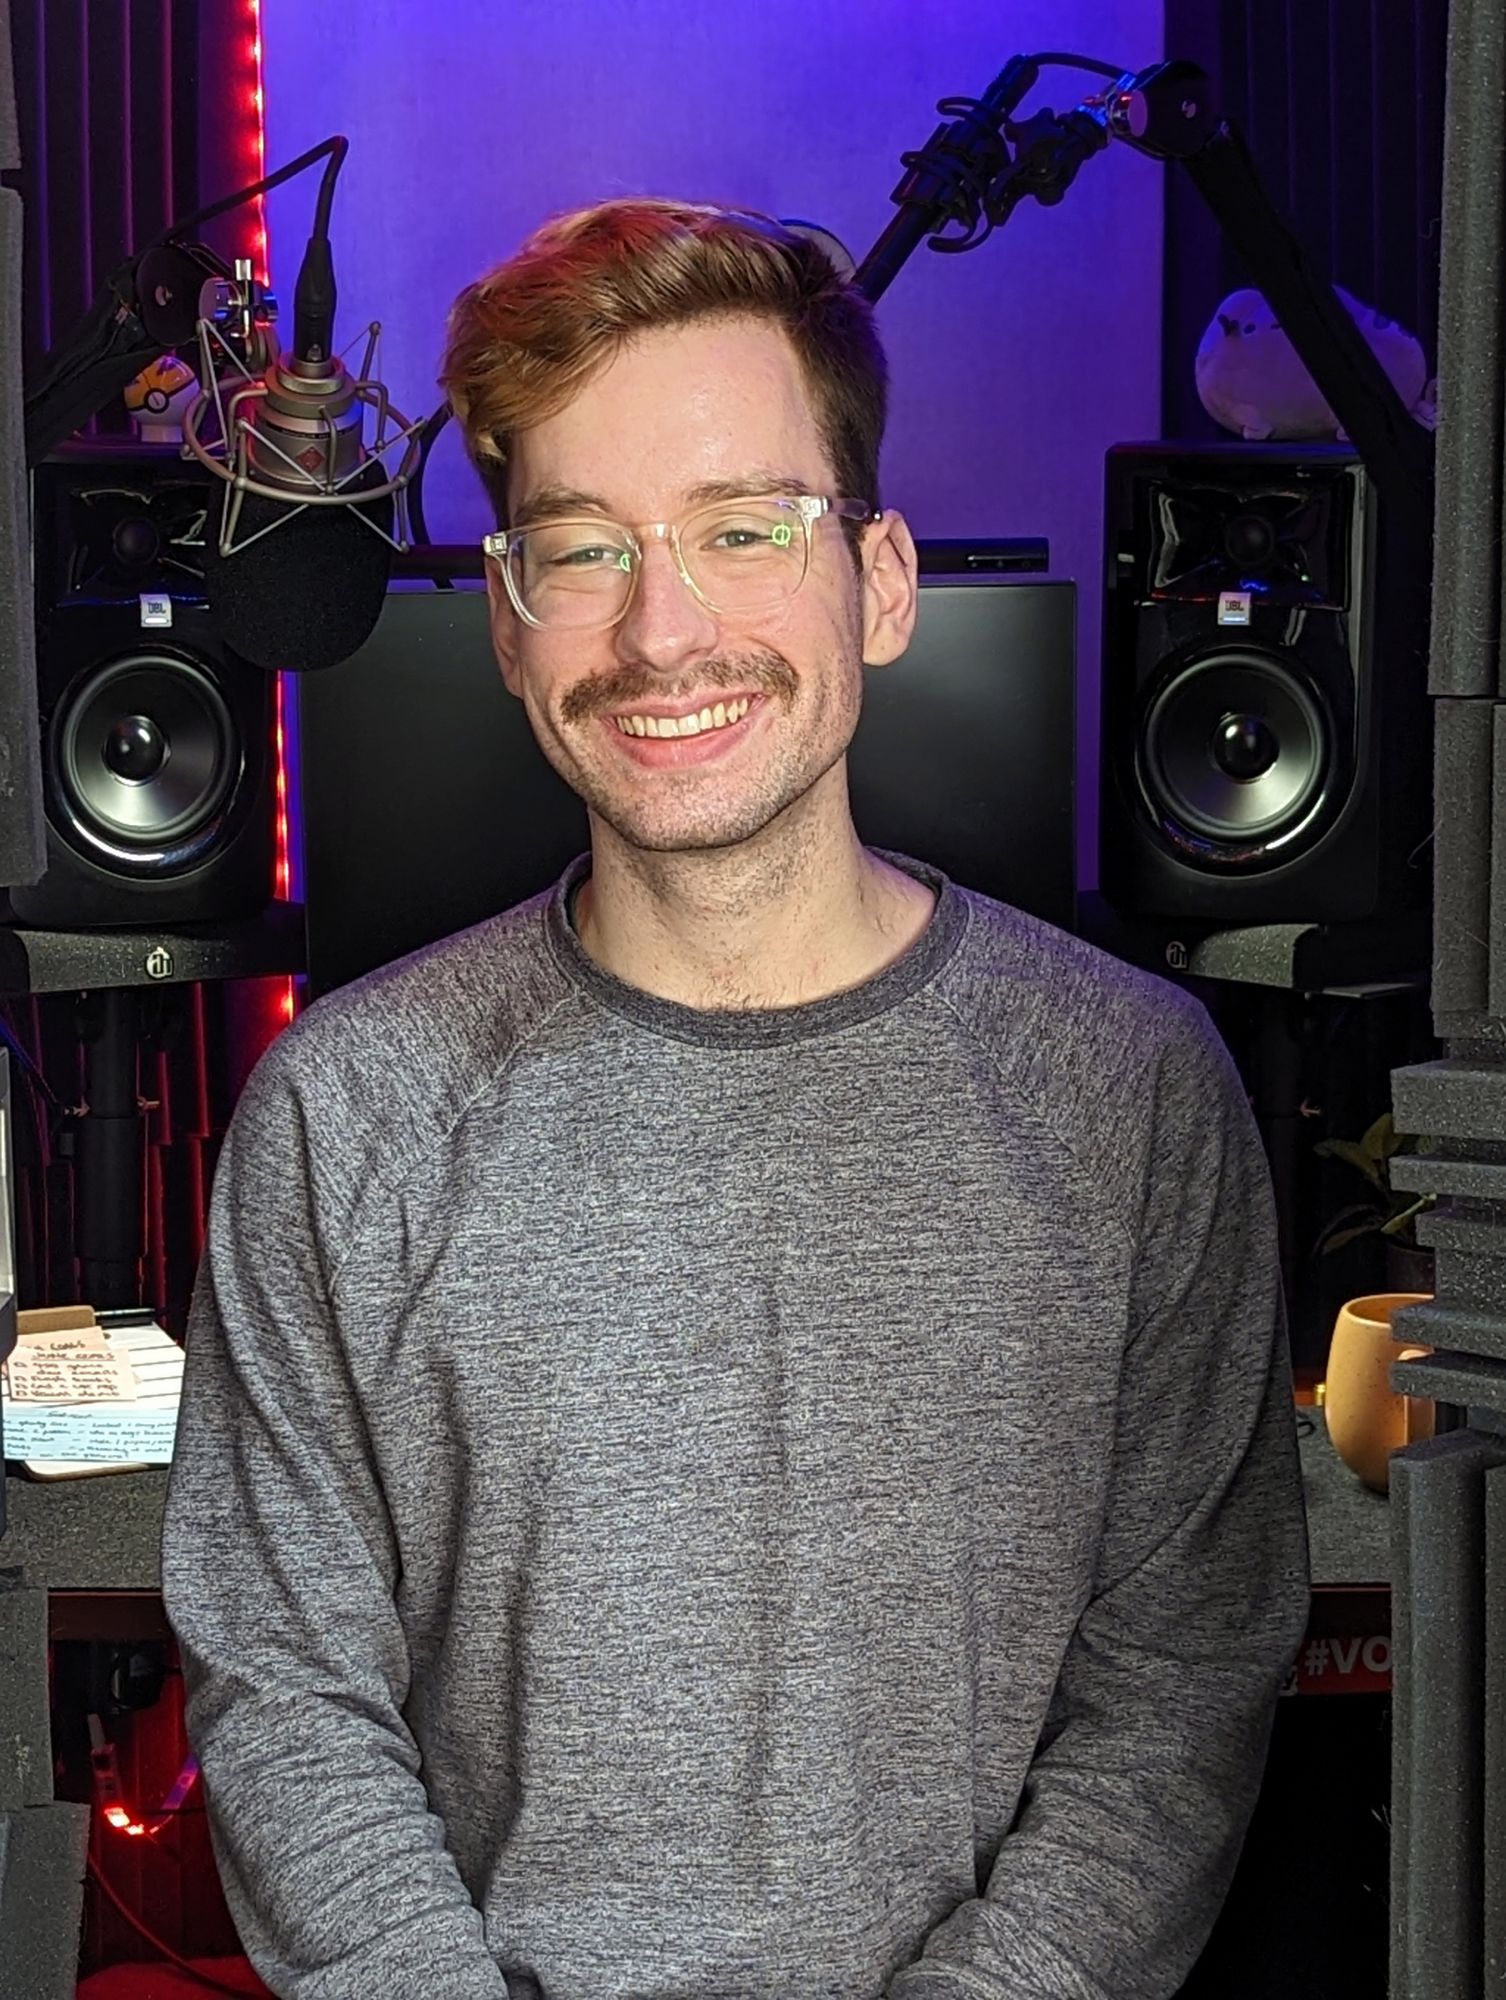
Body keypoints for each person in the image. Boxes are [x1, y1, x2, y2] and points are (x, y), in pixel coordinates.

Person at [161, 197, 1310, 2000]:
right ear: (508, 626)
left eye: (742, 529)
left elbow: (1176, 1688)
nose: (659, 629)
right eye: (581, 549)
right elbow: (289, 1695)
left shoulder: (1131, 1091)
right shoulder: (341, 1117)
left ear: (881, 582)